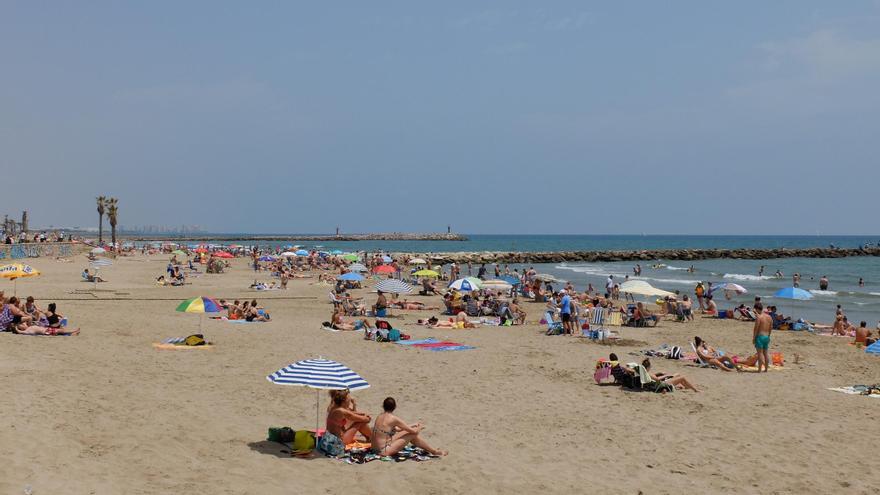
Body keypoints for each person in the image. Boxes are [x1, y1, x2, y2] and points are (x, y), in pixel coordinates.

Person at [371, 397, 446, 457]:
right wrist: (420, 427)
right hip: (382, 451)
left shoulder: (379, 416)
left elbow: (398, 429)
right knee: (413, 435)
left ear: (383, 406)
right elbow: (414, 432)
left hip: (374, 448)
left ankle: (433, 450)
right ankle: (434, 451)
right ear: (395, 407)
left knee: (407, 432)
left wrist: (413, 424)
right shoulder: (393, 418)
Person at [318, 390, 372, 455]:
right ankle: (371, 438)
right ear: (344, 402)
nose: (349, 402)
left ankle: (370, 438)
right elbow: (363, 419)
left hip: (331, 438)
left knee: (359, 420)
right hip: (338, 441)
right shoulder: (341, 411)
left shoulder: (333, 407)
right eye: (348, 400)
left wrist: (362, 413)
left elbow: (352, 414)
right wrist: (367, 418)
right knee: (360, 422)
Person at [752, 302, 773, 372]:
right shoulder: (769, 317)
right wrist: (769, 336)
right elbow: (771, 327)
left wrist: (754, 338)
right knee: (766, 353)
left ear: (757, 309)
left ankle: (759, 369)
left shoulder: (759, 317)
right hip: (767, 337)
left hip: (760, 337)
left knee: (760, 354)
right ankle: (766, 369)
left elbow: (756, 328)